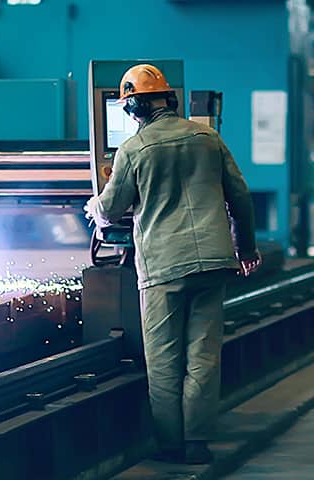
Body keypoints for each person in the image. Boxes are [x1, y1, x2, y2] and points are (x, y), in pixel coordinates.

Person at [84, 64, 262, 464]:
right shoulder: (207, 136)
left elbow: (111, 209)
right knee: (203, 355)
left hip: (164, 268)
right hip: (214, 262)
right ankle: (197, 441)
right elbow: (240, 198)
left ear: (132, 110)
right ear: (171, 100)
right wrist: (246, 249)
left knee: (164, 359)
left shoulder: (133, 149)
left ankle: (170, 445)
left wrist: (93, 206)